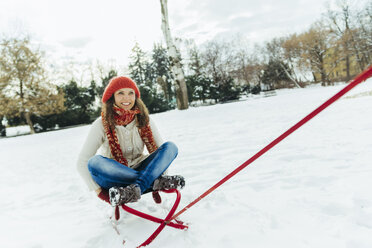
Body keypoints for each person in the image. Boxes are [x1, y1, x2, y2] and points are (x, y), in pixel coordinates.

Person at [76, 76, 185, 207]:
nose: (126, 98)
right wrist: (101, 193)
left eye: (130, 93)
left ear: (135, 96)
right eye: (120, 93)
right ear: (112, 97)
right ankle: (151, 182)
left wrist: (161, 174)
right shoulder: (100, 124)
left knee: (170, 147)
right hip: (115, 177)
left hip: (140, 170)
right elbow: (82, 162)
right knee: (94, 162)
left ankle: (138, 187)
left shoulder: (144, 119)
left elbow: (161, 154)